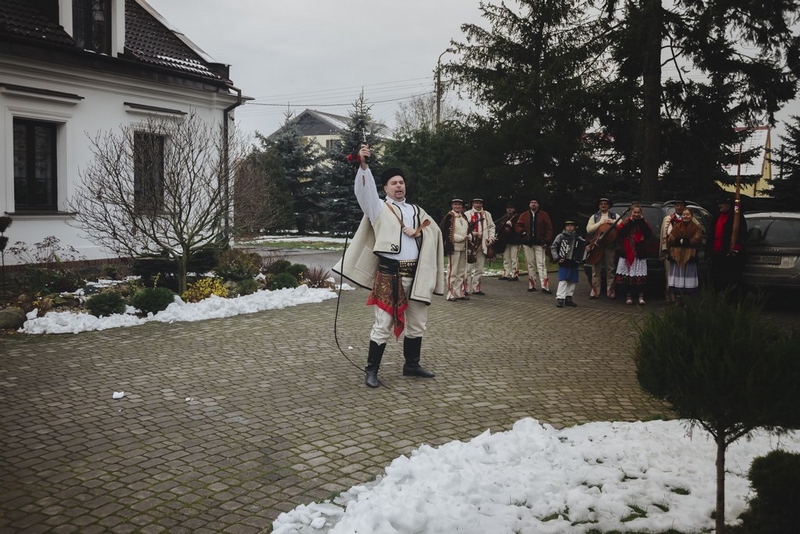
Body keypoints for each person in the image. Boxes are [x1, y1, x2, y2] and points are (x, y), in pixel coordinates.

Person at [333, 145, 444, 388]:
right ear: (385, 188)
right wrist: (364, 166)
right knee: (382, 324)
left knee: (418, 323)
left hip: (417, 276)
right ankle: (371, 370)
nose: (399, 186)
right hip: (389, 274)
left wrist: (420, 233)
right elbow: (364, 192)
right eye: (394, 183)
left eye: (401, 182)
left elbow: (434, 232)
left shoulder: (417, 211)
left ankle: (411, 365)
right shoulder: (378, 208)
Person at [614, 201, 653, 305]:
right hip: (627, 251)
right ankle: (628, 296)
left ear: (641, 213)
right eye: (634, 212)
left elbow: (648, 234)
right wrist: (631, 222)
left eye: (638, 212)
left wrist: (641, 222)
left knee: (640, 276)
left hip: (639, 252)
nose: (636, 214)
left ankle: (640, 296)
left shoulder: (644, 222)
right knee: (628, 276)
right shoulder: (626, 221)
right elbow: (621, 233)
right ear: (631, 212)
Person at [707, 196, 747, 294]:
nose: (720, 206)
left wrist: (737, 246)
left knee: (730, 281)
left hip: (729, 255)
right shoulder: (716, 217)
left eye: (722, 204)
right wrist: (708, 252)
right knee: (716, 280)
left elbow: (742, 233)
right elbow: (711, 235)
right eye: (719, 204)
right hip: (717, 255)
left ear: (729, 205)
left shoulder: (736, 218)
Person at [515, 198, 554, 294]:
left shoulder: (544, 215)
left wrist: (547, 240)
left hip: (540, 243)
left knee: (541, 264)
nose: (533, 204)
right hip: (527, 243)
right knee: (530, 264)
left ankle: (545, 286)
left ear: (538, 205)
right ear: (529, 204)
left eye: (535, 203)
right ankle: (532, 285)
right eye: (532, 202)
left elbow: (549, 228)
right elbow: (518, 226)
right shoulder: (524, 215)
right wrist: (522, 233)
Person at [660, 200, 700, 292]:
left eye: (681, 206)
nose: (679, 207)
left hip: (689, 255)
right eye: (677, 205)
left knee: (687, 277)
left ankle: (686, 297)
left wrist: (685, 241)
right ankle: (672, 297)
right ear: (675, 207)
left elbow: (697, 238)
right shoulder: (668, 219)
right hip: (675, 253)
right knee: (673, 276)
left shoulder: (695, 223)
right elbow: (668, 237)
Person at [666, 207, 704, 303]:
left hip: (690, 257)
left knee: (688, 278)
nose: (685, 216)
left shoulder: (696, 228)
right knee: (678, 277)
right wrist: (682, 241)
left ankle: (688, 299)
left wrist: (683, 241)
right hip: (677, 257)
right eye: (684, 214)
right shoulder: (676, 227)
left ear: (691, 216)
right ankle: (678, 298)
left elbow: (697, 240)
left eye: (688, 214)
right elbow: (670, 240)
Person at [586, 197, 620, 299]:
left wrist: (613, 222)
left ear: (609, 206)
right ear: (599, 206)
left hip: (610, 246)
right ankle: (595, 291)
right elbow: (589, 230)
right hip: (597, 247)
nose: (603, 205)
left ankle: (611, 291)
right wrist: (600, 223)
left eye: (605, 203)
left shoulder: (615, 216)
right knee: (596, 270)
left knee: (610, 269)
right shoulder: (594, 217)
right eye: (601, 204)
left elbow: (622, 226)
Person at [551, 220, 587, 308]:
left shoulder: (579, 238)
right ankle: (560, 298)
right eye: (568, 226)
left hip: (574, 262)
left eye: (572, 226)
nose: (570, 227)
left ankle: (569, 297)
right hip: (564, 262)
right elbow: (553, 247)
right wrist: (557, 258)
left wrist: (582, 257)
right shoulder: (560, 236)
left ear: (575, 227)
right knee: (563, 280)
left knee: (572, 280)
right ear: (565, 227)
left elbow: (583, 248)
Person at [440, 198, 470, 301]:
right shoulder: (449, 217)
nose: (457, 206)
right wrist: (461, 238)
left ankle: (459, 292)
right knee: (452, 271)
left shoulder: (464, 217)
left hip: (464, 247)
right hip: (453, 247)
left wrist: (469, 236)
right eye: (455, 204)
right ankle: (450, 293)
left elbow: (468, 230)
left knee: (461, 271)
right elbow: (446, 233)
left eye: (459, 205)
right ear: (452, 206)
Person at [464, 198, 496, 296]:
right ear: (472, 204)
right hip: (471, 244)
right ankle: (466, 288)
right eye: (476, 203)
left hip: (482, 244)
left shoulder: (487, 214)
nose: (478, 205)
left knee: (480, 268)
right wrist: (472, 234)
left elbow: (491, 227)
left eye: (480, 203)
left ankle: (476, 288)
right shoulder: (467, 214)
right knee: (468, 268)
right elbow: (464, 228)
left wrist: (491, 238)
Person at [494, 202, 521, 281]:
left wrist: (512, 225)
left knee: (514, 258)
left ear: (514, 209)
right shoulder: (505, 216)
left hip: (515, 240)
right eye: (508, 208)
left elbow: (520, 228)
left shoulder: (518, 217)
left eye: (511, 208)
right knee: (506, 258)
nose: (509, 209)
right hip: (505, 240)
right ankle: (506, 273)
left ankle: (515, 274)